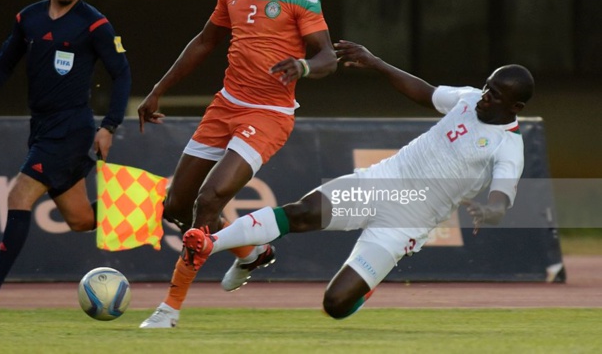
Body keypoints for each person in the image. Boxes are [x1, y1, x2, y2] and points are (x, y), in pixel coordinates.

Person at [181, 40, 535, 320]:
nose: (486, 96)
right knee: (302, 212)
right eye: (488, 87)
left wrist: (490, 213)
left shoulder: (508, 147)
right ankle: (212, 242)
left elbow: (502, 199)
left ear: (515, 107)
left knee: (334, 305)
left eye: (496, 95)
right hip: (383, 180)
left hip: (409, 220)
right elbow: (424, 92)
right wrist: (376, 62)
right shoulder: (469, 98)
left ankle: (364, 289)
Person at [137, 0, 337, 328]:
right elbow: (204, 41)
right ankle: (251, 253)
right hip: (225, 106)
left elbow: (328, 58)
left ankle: (169, 309)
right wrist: (157, 89)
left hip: (268, 115)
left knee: (209, 200)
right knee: (177, 206)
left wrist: (302, 65)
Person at [0, 0, 131, 311]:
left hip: (71, 127)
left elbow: (121, 73)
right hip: (43, 126)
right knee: (81, 220)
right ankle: (160, 205)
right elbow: (5, 61)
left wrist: (109, 125)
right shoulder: (28, 18)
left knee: (18, 196)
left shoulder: (94, 23)